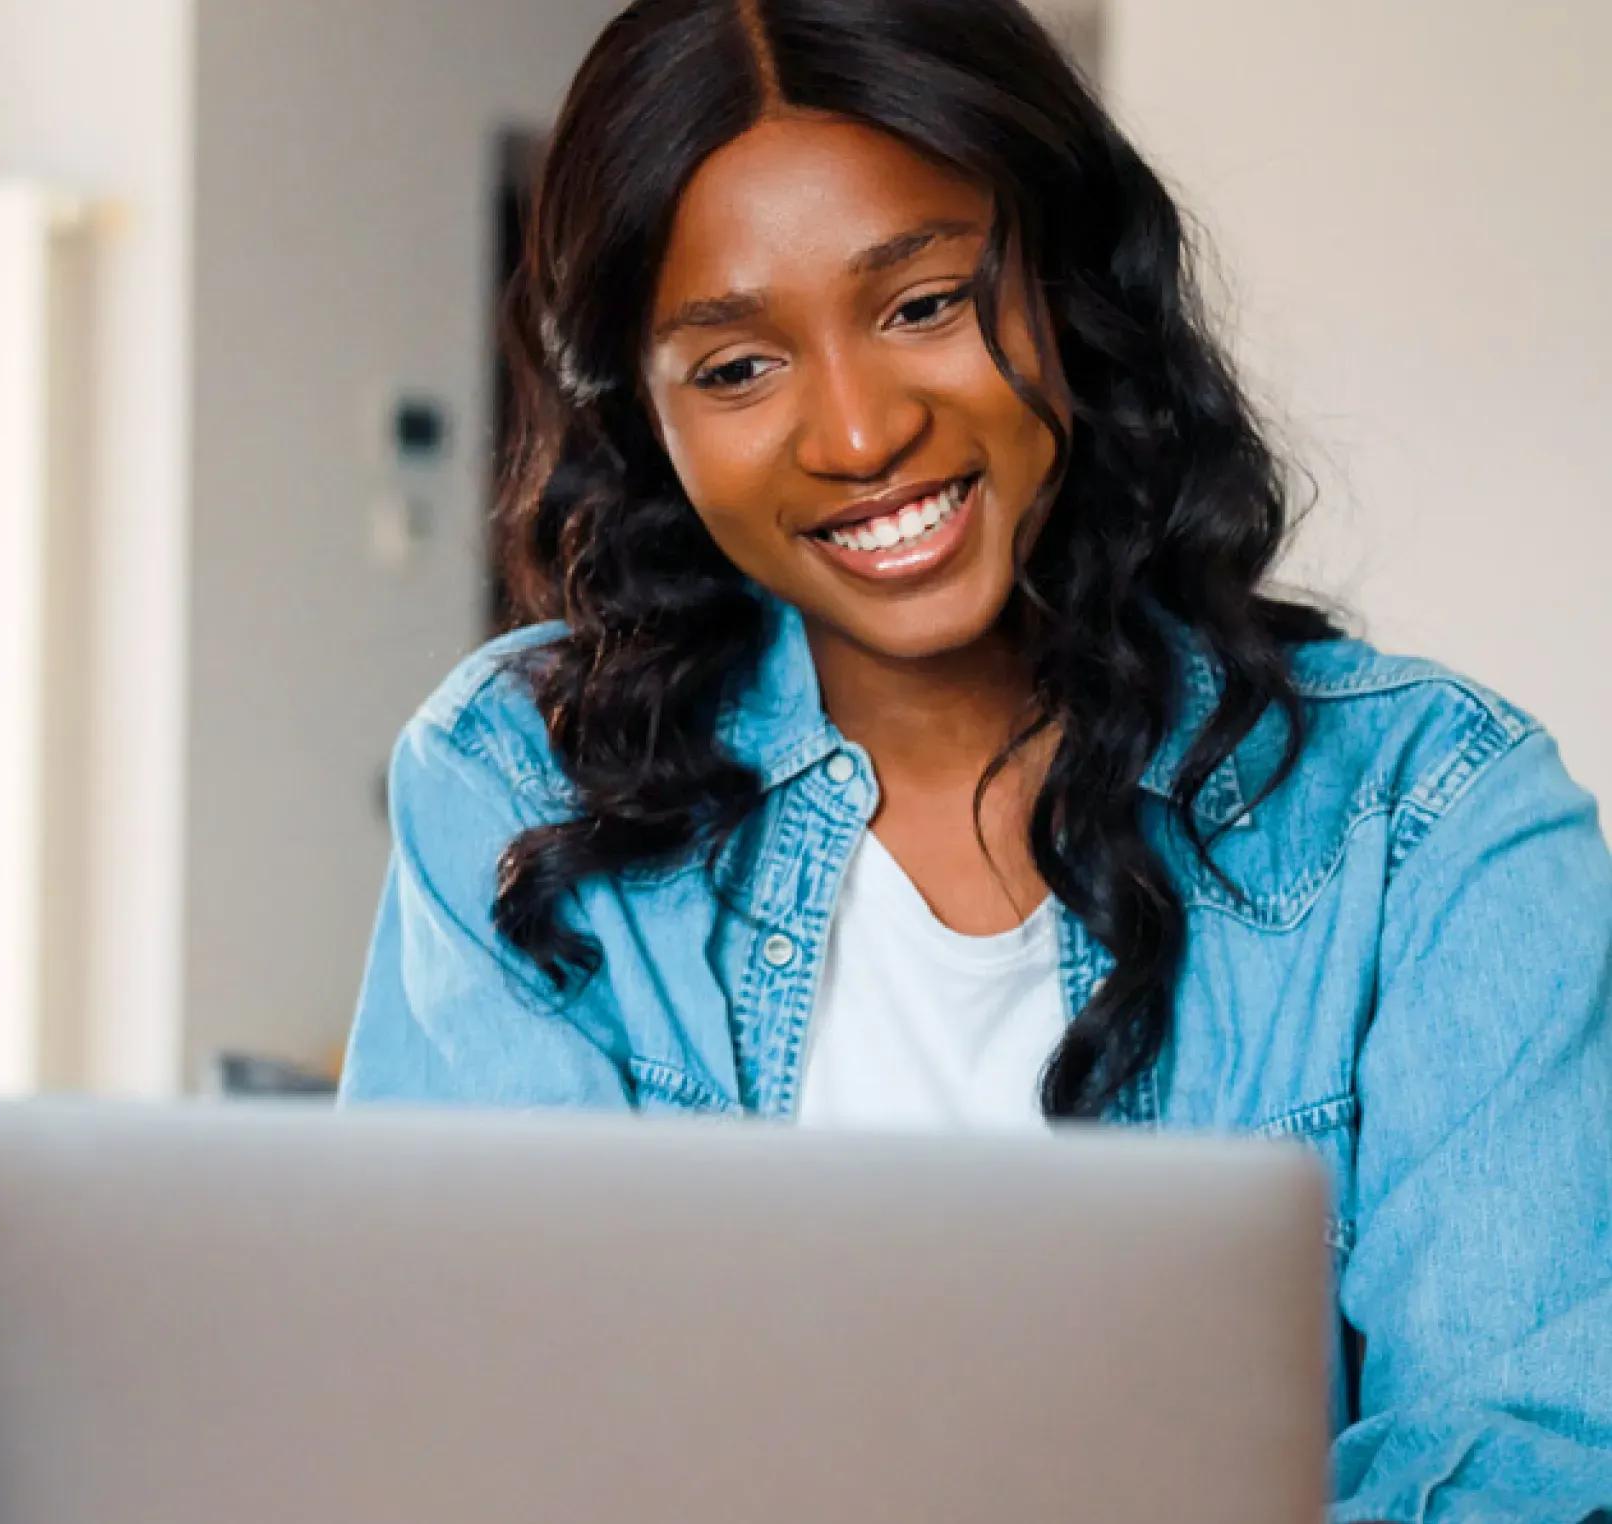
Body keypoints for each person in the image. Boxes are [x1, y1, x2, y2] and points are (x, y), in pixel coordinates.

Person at [337, 0, 1612, 1515]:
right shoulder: (510, 781)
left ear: (1067, 281)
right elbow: (478, 1439)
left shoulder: (1436, 822)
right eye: (737, 368)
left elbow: (1522, 1470)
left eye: (924, 302)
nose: (861, 433)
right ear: (646, 416)